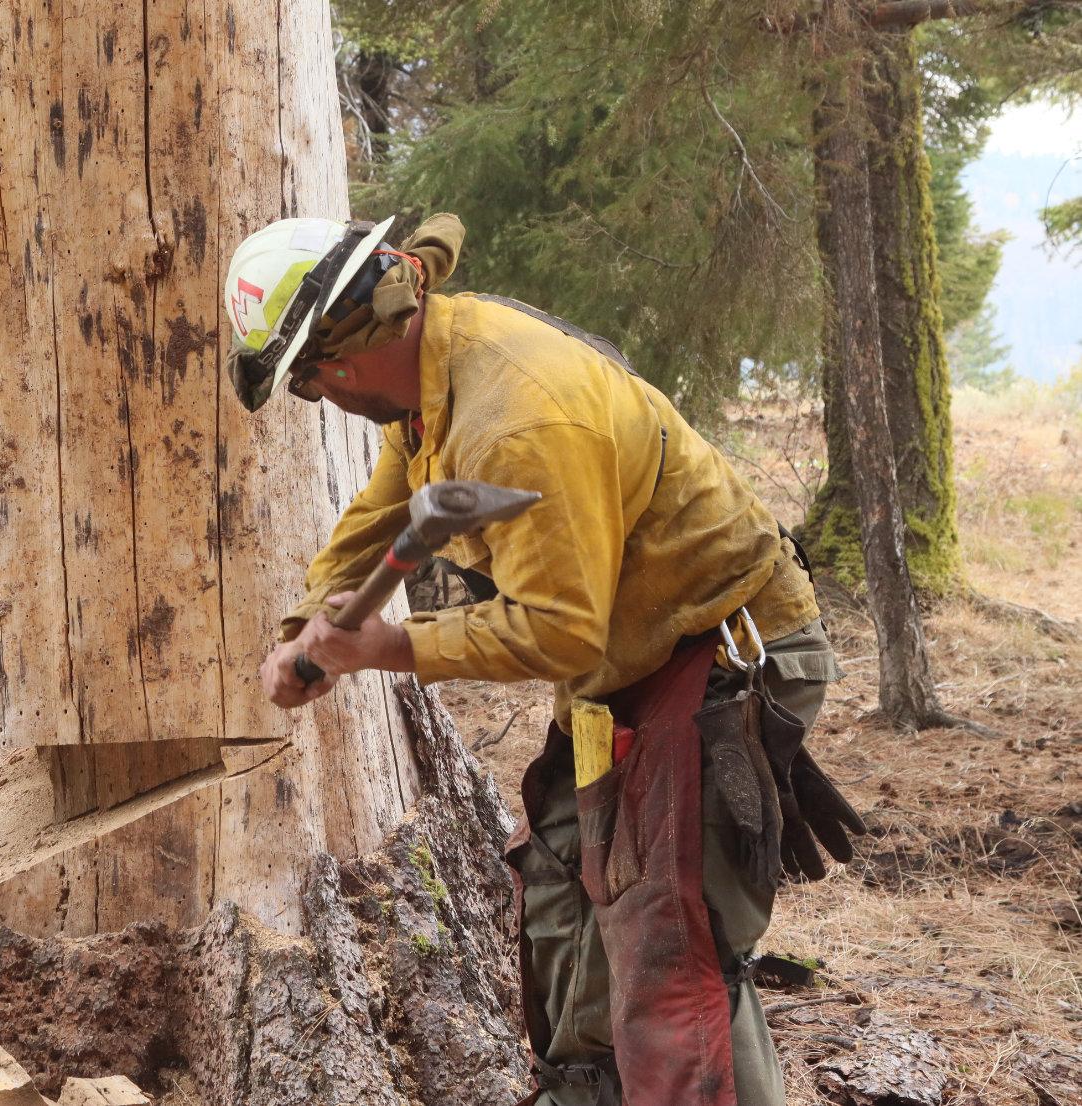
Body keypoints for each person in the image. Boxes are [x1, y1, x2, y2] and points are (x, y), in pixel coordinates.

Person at [223, 213, 865, 1106]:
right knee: (567, 921)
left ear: (344, 354)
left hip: (717, 666)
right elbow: (386, 504)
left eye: (306, 383)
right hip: (626, 677)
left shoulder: (518, 420)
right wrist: (307, 625)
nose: (317, 398)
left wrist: (387, 647)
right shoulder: (437, 368)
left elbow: (563, 633)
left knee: (671, 954)